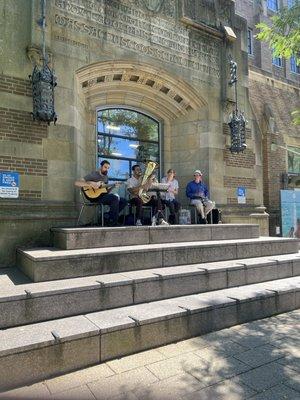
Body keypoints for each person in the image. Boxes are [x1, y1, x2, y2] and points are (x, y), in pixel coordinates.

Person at [75, 160, 127, 226]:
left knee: (124, 201)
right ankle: (113, 222)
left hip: (103, 197)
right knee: (114, 197)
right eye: (105, 167)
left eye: (108, 168)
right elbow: (77, 183)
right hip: (94, 197)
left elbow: (105, 191)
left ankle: (108, 216)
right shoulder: (93, 174)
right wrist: (91, 184)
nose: (106, 169)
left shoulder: (106, 177)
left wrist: (113, 186)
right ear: (101, 167)